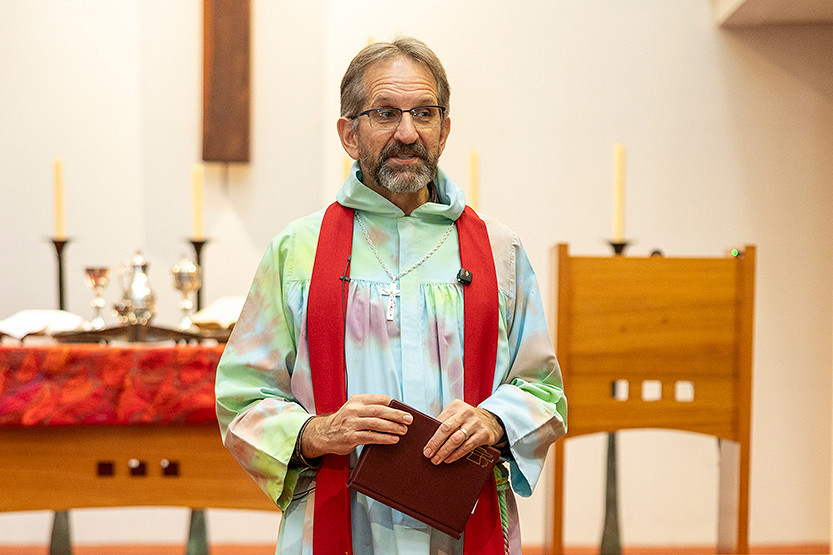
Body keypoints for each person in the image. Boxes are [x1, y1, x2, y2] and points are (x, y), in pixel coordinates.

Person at [215, 37, 567, 554]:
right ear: (348, 133)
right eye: (385, 113)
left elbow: (543, 392)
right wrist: (317, 432)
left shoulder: (500, 251)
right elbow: (243, 398)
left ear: (444, 130)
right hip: (339, 522)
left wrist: (493, 420)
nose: (408, 132)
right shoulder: (298, 251)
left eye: (424, 113)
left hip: (461, 526)